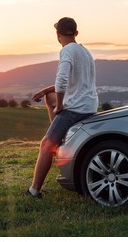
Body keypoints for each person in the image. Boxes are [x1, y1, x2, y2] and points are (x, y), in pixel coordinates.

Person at [25, 17, 99, 198]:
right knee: (48, 97)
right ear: (76, 33)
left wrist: (59, 106)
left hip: (75, 109)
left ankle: (34, 191)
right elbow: (75, 82)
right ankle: (58, 135)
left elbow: (62, 80)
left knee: (45, 145)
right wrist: (45, 91)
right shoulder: (84, 51)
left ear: (58, 35)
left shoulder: (67, 51)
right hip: (89, 106)